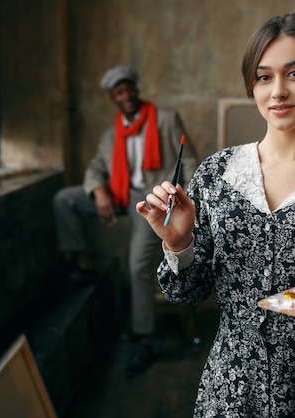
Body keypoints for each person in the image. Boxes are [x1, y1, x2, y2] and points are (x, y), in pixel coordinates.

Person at [136, 12, 295, 417]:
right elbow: (187, 293)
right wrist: (178, 242)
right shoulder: (216, 174)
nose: (278, 91)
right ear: (252, 86)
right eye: (263, 77)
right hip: (232, 386)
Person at [53, 65, 199, 378]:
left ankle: (144, 339)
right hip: (120, 197)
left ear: (135, 89)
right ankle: (82, 266)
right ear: (113, 99)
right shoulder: (110, 135)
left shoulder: (165, 119)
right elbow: (95, 168)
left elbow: (188, 161)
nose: (126, 95)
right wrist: (98, 190)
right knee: (64, 200)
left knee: (136, 267)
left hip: (153, 204)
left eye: (129, 88)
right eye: (119, 92)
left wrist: (183, 198)